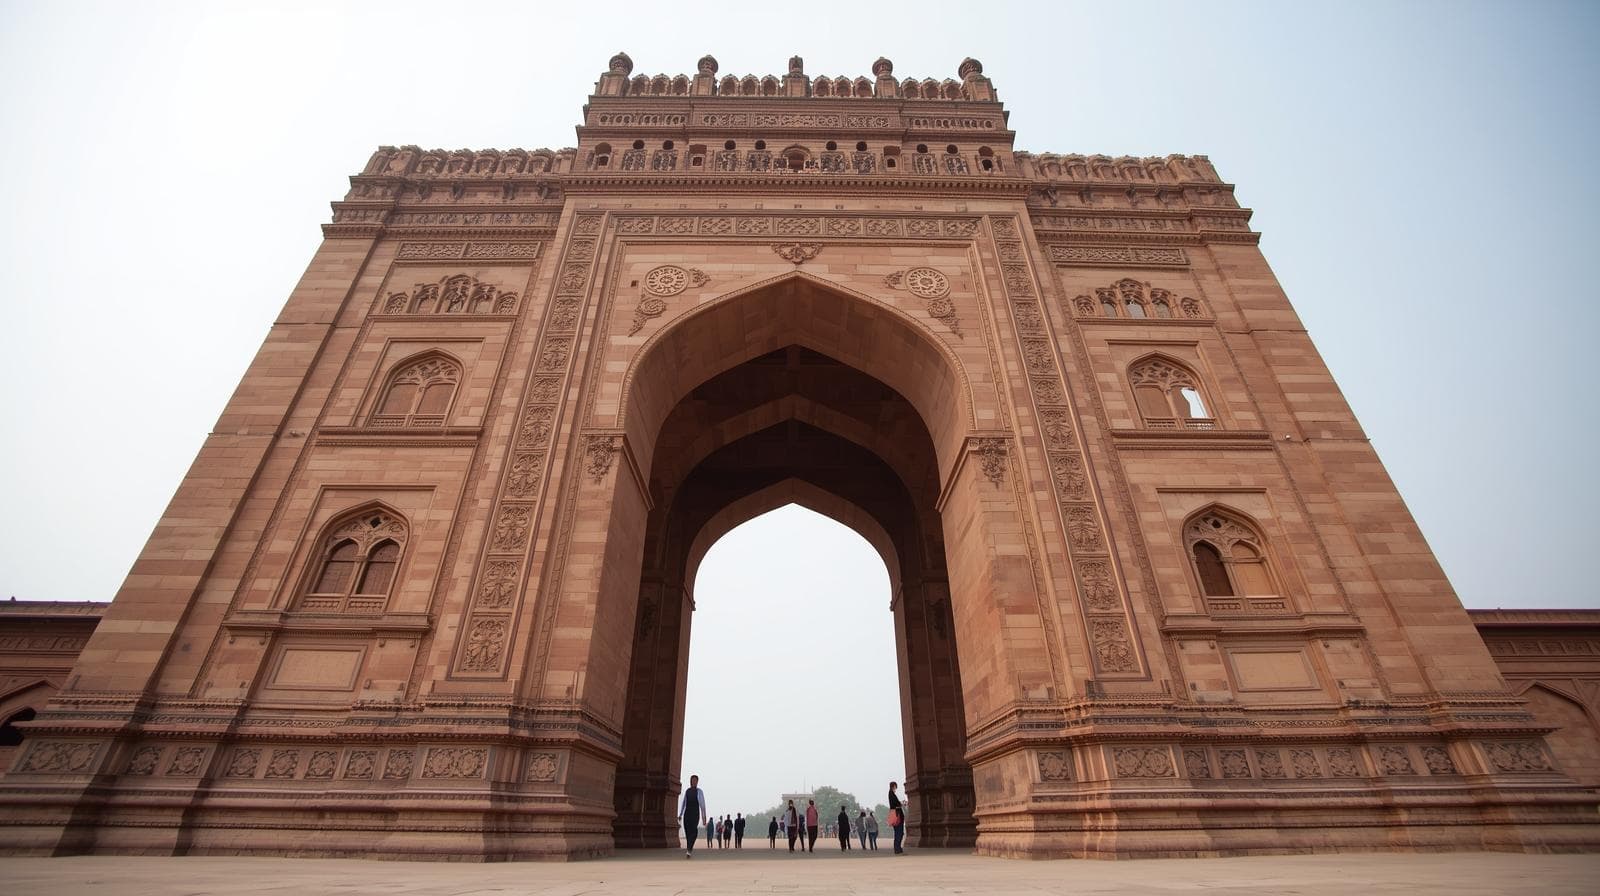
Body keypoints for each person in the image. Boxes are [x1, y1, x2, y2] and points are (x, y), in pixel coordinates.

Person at [677, 774, 707, 859]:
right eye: (692, 780)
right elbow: (684, 803)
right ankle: (689, 849)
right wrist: (680, 814)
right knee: (687, 832)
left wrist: (704, 818)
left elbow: (702, 805)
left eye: (695, 781)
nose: (693, 782)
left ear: (697, 782)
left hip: (695, 814)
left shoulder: (699, 792)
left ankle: (689, 849)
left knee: (694, 832)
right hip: (687, 813)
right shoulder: (687, 791)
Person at [888, 781, 906, 854]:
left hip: (895, 814)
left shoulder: (891, 794)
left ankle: (897, 848)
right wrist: (902, 803)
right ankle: (897, 848)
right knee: (899, 832)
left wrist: (900, 803)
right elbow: (896, 804)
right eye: (895, 786)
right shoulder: (891, 794)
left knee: (898, 832)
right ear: (894, 786)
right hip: (897, 814)